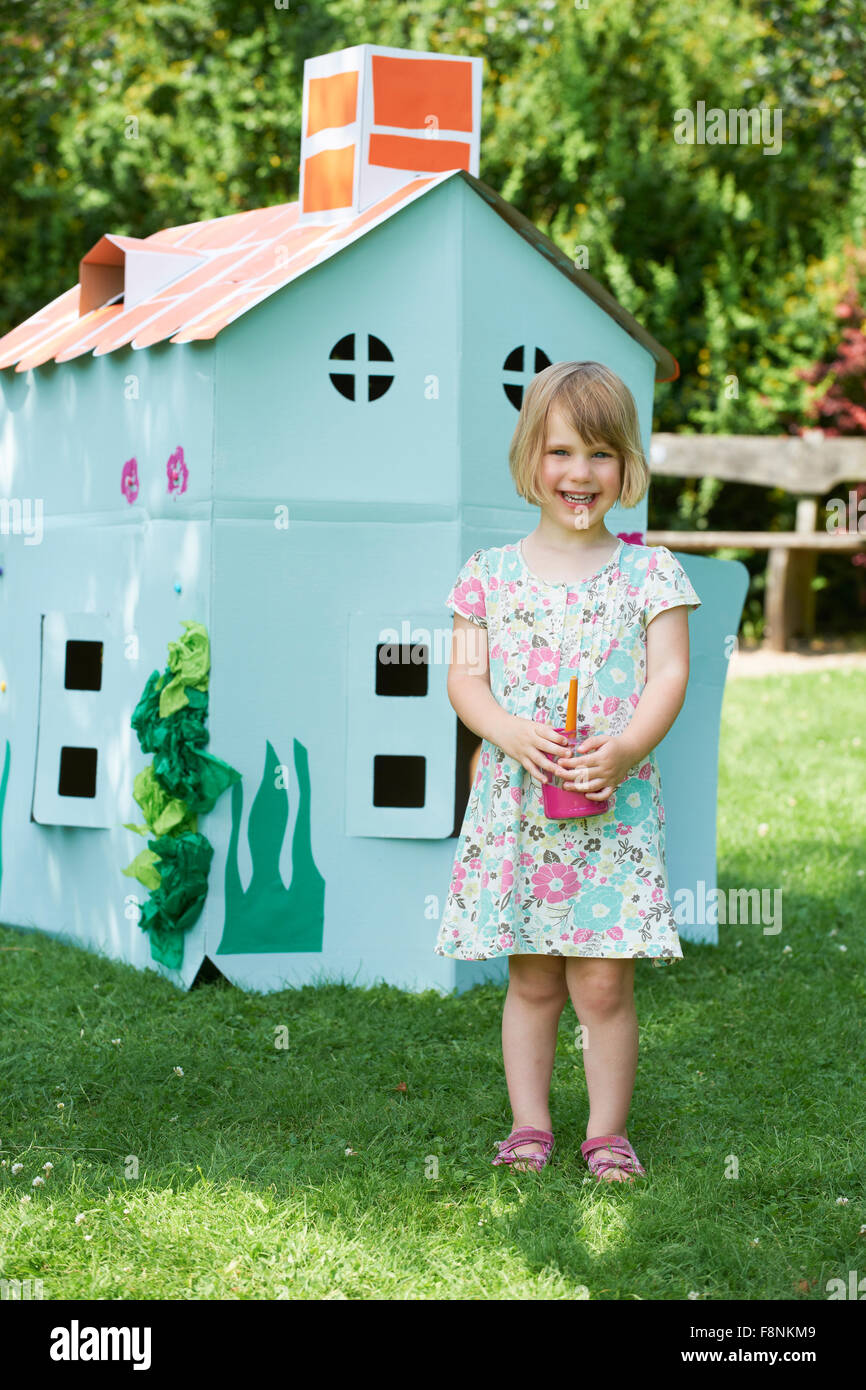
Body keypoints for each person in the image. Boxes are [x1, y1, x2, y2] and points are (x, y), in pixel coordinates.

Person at [436, 361, 702, 1183]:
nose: (578, 474)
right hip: (520, 811)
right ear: (530, 460)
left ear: (626, 466)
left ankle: (608, 1134)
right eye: (560, 453)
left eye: (599, 455)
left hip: (608, 814)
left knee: (602, 985)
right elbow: (464, 679)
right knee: (533, 977)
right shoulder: (487, 574)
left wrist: (625, 749)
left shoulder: (650, 573)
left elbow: (668, 677)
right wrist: (507, 731)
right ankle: (529, 1125)